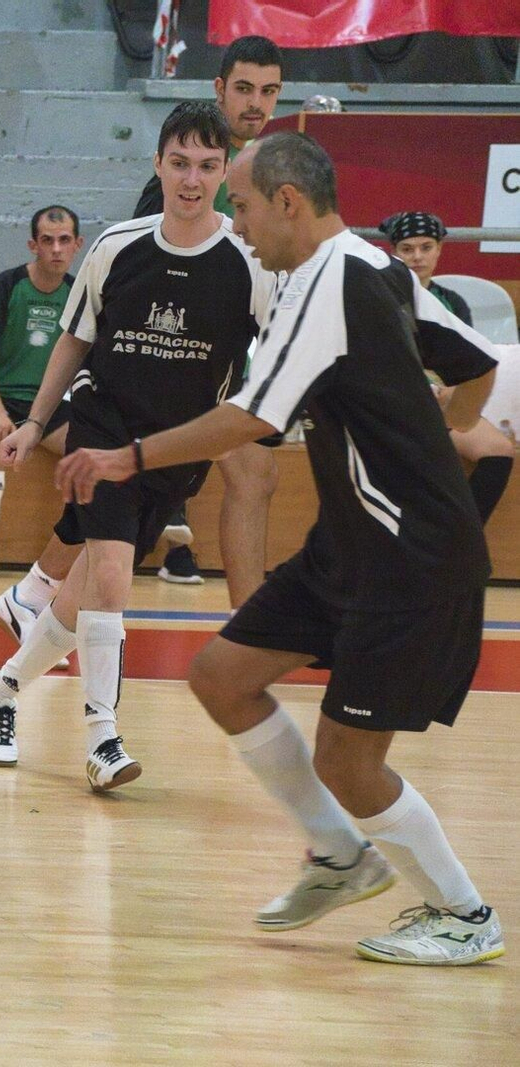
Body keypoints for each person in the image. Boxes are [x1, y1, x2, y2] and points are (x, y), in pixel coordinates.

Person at [59, 132, 504, 965]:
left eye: (246, 203)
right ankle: (339, 854)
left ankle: (466, 913)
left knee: (348, 756)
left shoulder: (330, 284)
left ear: (289, 202)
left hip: (413, 559)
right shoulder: (382, 270)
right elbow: (474, 365)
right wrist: (436, 420)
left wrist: (127, 455)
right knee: (220, 676)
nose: (239, 221)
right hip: (348, 546)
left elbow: (254, 416)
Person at [0, 102, 276, 787]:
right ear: (158, 164)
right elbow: (75, 340)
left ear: (225, 170)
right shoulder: (117, 247)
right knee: (111, 578)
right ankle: (103, 739)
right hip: (103, 432)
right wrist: (32, 421)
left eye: (206, 165)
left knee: (82, 598)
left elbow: (282, 351)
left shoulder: (249, 264)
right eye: (179, 163)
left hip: (176, 451)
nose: (191, 179)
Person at [133, 34, 285, 592]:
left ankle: (41, 606)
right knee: (125, 510)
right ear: (219, 89)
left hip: (227, 357)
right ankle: (43, 604)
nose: (256, 104)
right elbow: (144, 266)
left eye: (268, 91)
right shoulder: (186, 175)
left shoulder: (265, 169)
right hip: (172, 356)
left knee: (255, 475)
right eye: (244, 88)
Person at [0, 205, 83, 581]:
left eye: (65, 240)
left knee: (89, 451)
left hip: (46, 407)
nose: (56, 249)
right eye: (48, 240)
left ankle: (76, 548)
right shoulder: (6, 286)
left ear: (78, 244)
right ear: (33, 244)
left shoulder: (79, 294)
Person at [381, 210, 514, 524]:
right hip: (397, 404)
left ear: (439, 249)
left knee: (498, 449)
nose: (417, 256)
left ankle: (464, 539)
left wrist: (451, 395)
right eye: (407, 248)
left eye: (426, 247)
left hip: (447, 404)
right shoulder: (381, 296)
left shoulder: (453, 302)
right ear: (394, 253)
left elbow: (471, 364)